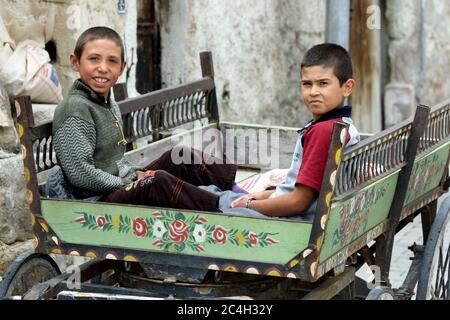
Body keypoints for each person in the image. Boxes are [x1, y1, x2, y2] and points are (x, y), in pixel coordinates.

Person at [49, 26, 237, 212]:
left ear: (122, 67)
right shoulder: (75, 108)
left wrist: (137, 172)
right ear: (75, 62)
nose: (103, 68)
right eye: (93, 59)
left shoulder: (106, 103)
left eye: (112, 61)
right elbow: (80, 174)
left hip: (118, 183)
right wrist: (131, 180)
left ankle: (239, 191)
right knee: (157, 182)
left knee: (180, 156)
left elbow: (115, 162)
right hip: (94, 201)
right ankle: (225, 210)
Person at [228, 43, 360, 218]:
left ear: (347, 87)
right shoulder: (344, 124)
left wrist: (250, 205)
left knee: (202, 194)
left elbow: (299, 203)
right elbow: (304, 192)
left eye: (323, 83)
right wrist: (266, 195)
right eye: (307, 84)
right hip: (316, 215)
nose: (313, 92)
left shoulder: (323, 131)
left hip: (293, 222)